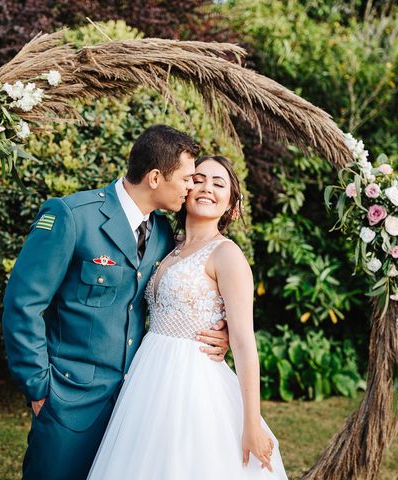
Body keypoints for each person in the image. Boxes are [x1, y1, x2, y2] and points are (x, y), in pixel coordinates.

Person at [2, 125, 231, 480]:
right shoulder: (74, 216)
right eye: (187, 178)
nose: (191, 187)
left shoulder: (163, 234)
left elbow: (180, 293)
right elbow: (23, 304)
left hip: (136, 403)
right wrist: (38, 385)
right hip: (69, 399)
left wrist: (221, 329)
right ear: (156, 177)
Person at [88, 155, 289, 479]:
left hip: (193, 383)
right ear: (185, 190)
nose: (207, 187)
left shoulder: (227, 255)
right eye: (199, 179)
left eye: (218, 183)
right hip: (148, 376)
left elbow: (243, 341)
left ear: (232, 206)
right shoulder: (167, 244)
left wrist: (251, 420)